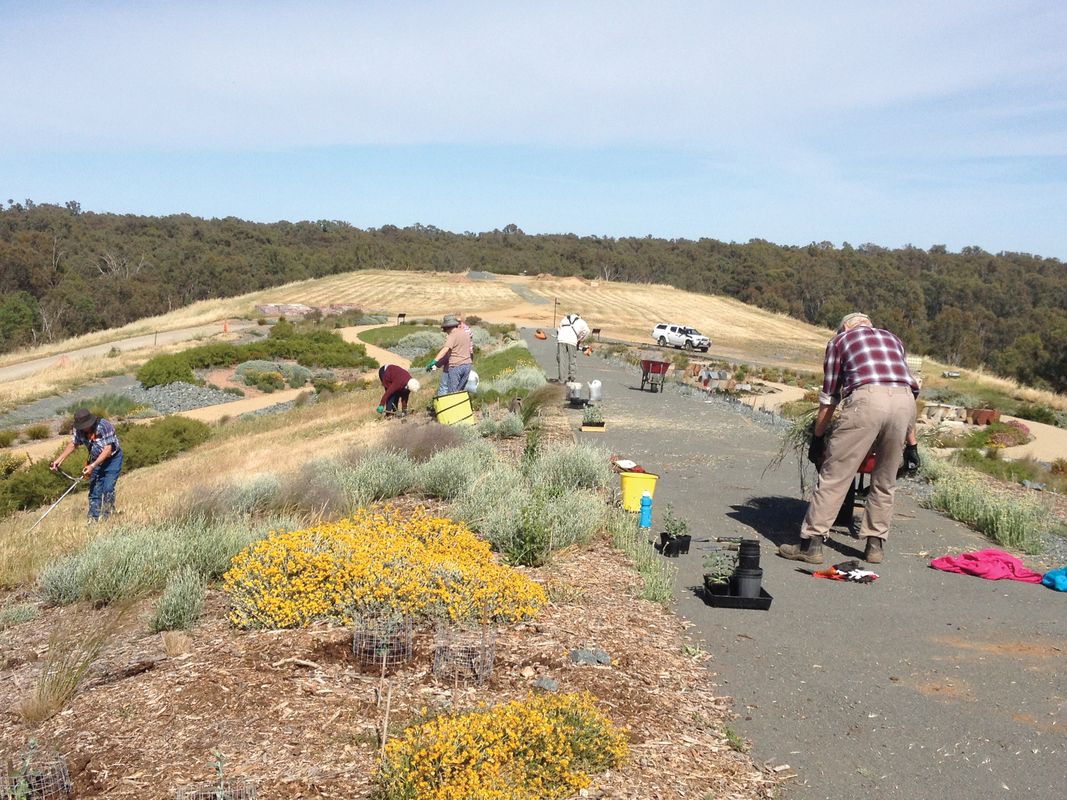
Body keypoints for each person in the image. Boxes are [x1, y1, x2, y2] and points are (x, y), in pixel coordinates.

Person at [778, 312, 919, 565]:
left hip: (867, 401)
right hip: (904, 403)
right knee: (885, 480)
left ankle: (812, 545)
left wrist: (818, 437)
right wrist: (912, 444)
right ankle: (875, 546)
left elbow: (830, 394)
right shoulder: (893, 339)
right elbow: (903, 387)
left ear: (844, 327)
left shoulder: (839, 341)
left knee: (835, 477)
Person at [49, 408, 124, 522]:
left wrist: (92, 466)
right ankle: (93, 519)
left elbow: (108, 450)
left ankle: (108, 517)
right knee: (94, 490)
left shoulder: (104, 426)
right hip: (95, 461)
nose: (84, 428)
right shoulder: (78, 430)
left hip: (112, 459)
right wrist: (59, 460)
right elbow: (73, 444)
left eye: (85, 425)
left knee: (108, 488)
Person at [426, 315, 473, 394]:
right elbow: (470, 350)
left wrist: (434, 361)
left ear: (447, 327)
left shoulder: (452, 335)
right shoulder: (466, 334)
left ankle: (450, 406)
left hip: (456, 367)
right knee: (460, 391)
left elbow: (445, 349)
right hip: (467, 365)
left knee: (452, 393)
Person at [556, 312, 590, 383]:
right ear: (579, 316)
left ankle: (561, 380)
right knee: (572, 360)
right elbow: (587, 331)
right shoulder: (581, 321)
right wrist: (580, 339)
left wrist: (560, 335)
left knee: (561, 360)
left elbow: (558, 329)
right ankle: (571, 379)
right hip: (572, 341)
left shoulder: (565, 318)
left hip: (561, 339)